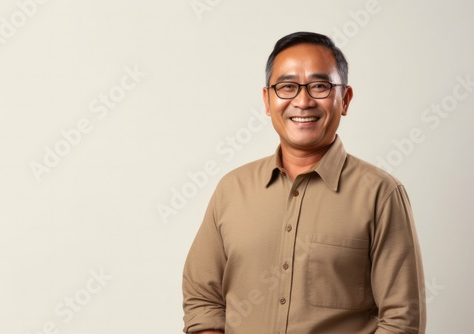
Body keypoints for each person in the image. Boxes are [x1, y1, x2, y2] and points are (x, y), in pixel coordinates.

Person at [182, 31, 426, 334]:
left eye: (320, 86)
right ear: (268, 100)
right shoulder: (232, 189)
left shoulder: (381, 194)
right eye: (287, 87)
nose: (303, 101)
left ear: (345, 99)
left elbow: (402, 318)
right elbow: (202, 300)